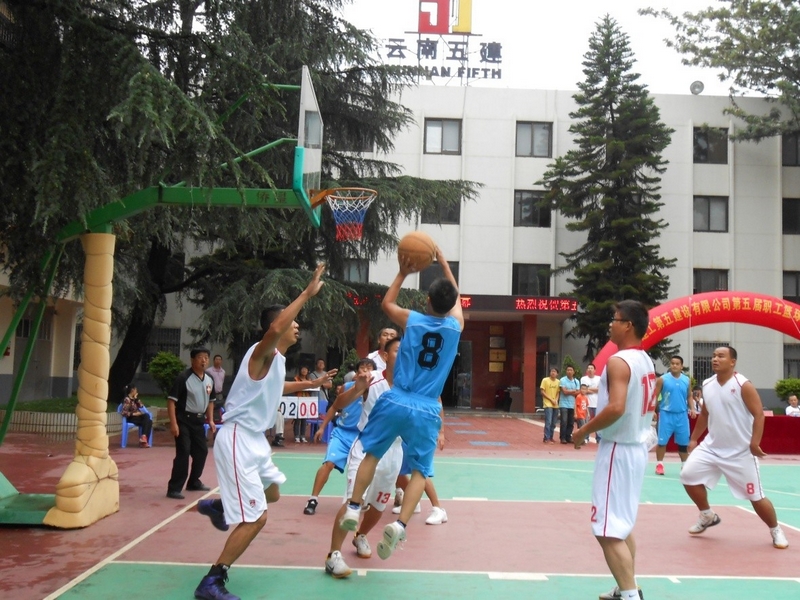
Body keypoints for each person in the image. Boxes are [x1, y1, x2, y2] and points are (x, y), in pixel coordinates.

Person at [194, 264, 337, 600]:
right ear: (279, 326)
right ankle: (212, 581)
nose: (297, 326)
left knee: (272, 493)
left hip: (254, 440)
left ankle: (221, 507)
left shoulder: (277, 362)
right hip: (238, 437)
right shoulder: (262, 352)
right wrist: (306, 292)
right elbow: (275, 327)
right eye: (293, 323)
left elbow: (277, 386)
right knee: (257, 517)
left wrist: (313, 383)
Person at [339, 246, 463, 561]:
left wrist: (403, 272)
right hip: (427, 406)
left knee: (372, 452)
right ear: (450, 305)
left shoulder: (414, 320)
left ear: (427, 300)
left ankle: (353, 506)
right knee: (421, 470)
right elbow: (457, 301)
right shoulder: (455, 327)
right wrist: (444, 263)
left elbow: (387, 303)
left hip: (397, 398)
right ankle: (401, 524)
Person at [574, 300, 657, 600]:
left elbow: (616, 407)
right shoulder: (645, 360)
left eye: (616, 319)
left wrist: (584, 430)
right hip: (635, 449)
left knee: (606, 530)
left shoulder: (619, 361)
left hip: (618, 450)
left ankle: (630, 595)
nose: (611, 323)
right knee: (621, 525)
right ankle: (627, 587)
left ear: (628, 325)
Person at [680, 346, 789, 550]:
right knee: (687, 475)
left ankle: (775, 529)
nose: (715, 359)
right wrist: (694, 439)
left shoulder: (743, 385)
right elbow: (705, 414)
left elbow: (759, 414)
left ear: (732, 362)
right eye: (713, 356)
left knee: (756, 497)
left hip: (740, 452)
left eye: (721, 356)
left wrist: (754, 443)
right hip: (712, 447)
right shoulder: (708, 384)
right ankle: (707, 515)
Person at [325, 337, 405, 577]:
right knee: (353, 502)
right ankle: (333, 555)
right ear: (385, 356)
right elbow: (339, 404)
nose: (404, 354)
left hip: (393, 452)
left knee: (379, 505)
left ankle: (360, 535)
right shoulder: (371, 379)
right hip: (366, 449)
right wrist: (357, 389)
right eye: (398, 350)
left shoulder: (410, 384)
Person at [303, 358, 375, 516]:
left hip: (362, 437)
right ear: (356, 372)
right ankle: (313, 499)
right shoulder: (347, 387)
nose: (365, 371)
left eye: (369, 368)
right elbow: (335, 407)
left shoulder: (378, 390)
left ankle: (358, 501)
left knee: (364, 470)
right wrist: (322, 427)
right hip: (342, 433)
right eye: (362, 368)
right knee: (328, 463)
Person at [166, 347, 215, 500]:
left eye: (206, 357)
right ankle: (174, 488)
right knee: (183, 452)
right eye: (200, 357)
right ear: (192, 360)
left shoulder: (209, 379)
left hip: (199, 422)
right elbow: (171, 401)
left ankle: (194, 482)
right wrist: (174, 424)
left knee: (202, 452)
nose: (204, 360)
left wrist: (210, 420)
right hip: (184, 420)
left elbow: (211, 401)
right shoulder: (183, 378)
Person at [653, 355, 696, 475]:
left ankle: (684, 466)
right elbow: (655, 395)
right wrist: (653, 411)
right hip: (666, 414)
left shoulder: (686, 380)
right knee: (662, 441)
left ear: (681, 366)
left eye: (677, 364)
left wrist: (692, 408)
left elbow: (689, 396)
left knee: (683, 443)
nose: (674, 366)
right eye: (672, 363)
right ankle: (660, 464)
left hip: (682, 415)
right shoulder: (663, 379)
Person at [120, 384, 152, 448]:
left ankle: (143, 438)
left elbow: (142, 406)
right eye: (136, 390)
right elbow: (124, 413)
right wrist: (134, 414)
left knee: (148, 418)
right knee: (148, 421)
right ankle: (144, 441)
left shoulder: (135, 399)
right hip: (131, 418)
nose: (136, 391)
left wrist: (136, 399)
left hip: (138, 418)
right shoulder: (127, 400)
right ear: (132, 390)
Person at [581, 363, 602, 442]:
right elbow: (583, 390)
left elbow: (600, 389)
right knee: (586, 422)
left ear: (595, 370)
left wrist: (588, 389)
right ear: (586, 370)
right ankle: (586, 438)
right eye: (588, 368)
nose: (590, 369)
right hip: (587, 403)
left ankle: (599, 438)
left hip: (597, 403)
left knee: (598, 421)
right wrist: (594, 390)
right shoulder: (583, 379)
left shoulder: (599, 378)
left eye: (591, 368)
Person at [559, 365, 580, 444]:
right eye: (568, 370)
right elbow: (564, 392)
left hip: (572, 404)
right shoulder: (563, 380)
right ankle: (562, 438)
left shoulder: (576, 381)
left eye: (571, 370)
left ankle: (568, 437)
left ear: (574, 372)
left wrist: (569, 391)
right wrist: (573, 391)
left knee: (571, 422)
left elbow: (578, 392)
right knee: (564, 421)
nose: (569, 371)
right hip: (563, 404)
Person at [540, 368, 560, 444]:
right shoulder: (545, 380)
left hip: (555, 404)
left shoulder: (558, 382)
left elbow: (558, 392)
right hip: (547, 404)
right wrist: (551, 399)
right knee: (548, 421)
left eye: (555, 371)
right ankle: (546, 438)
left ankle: (551, 437)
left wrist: (556, 400)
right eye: (552, 371)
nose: (553, 373)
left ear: (557, 374)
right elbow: (542, 391)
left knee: (554, 422)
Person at [207, 354, 226, 424]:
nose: (218, 361)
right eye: (216, 359)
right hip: (211, 393)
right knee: (211, 408)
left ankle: (218, 421)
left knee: (219, 408)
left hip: (219, 393)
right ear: (213, 361)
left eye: (219, 359)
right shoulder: (209, 371)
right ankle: (210, 421)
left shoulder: (223, 371)